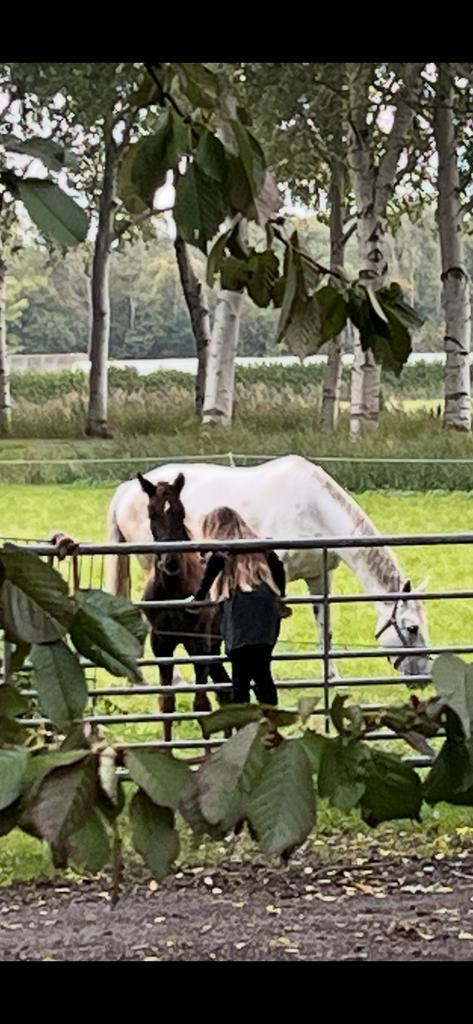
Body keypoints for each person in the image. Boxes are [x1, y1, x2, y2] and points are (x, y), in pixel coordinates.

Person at [187, 507, 291, 706]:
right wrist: (280, 597)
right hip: (266, 607)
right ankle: (270, 725)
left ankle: (244, 728)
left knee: (240, 676)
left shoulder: (226, 547)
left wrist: (199, 597)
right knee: (262, 671)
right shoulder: (257, 545)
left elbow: (216, 562)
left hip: (241, 608)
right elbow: (278, 566)